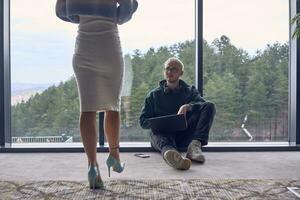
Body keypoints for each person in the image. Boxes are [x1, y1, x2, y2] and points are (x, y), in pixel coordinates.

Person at [55, 0, 138, 189]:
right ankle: (114, 156)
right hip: (109, 47)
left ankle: (92, 166)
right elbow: (126, 11)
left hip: (84, 46)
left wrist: (82, 15)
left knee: (87, 108)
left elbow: (60, 10)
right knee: (113, 106)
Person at [139, 57, 216, 170]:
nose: (169, 72)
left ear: (181, 73)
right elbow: (143, 121)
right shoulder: (153, 95)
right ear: (164, 71)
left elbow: (203, 104)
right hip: (163, 136)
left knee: (209, 106)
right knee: (159, 137)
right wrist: (160, 122)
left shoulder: (190, 91)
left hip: (185, 135)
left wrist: (187, 106)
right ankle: (172, 156)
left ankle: (194, 147)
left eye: (174, 69)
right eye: (167, 69)